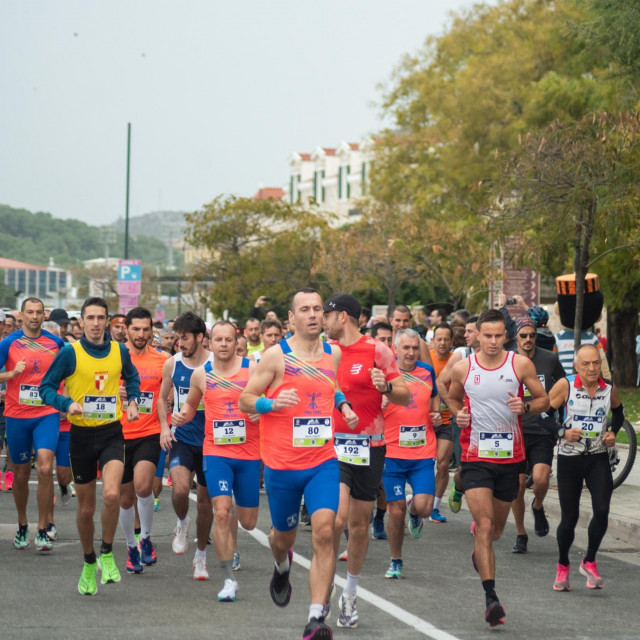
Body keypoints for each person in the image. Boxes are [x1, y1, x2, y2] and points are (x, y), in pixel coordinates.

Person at [239, 288, 357, 640]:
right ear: (291, 318)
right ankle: (281, 566)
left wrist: (343, 405)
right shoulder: (275, 356)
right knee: (282, 537)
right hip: (281, 466)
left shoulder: (332, 353)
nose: (312, 314)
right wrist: (271, 405)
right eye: (304, 309)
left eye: (317, 309)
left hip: (322, 460)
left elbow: (328, 386)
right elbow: (246, 399)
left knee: (326, 530)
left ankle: (316, 616)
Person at [447, 309, 549, 627]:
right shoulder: (464, 368)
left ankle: (482, 548)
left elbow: (544, 399)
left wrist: (527, 405)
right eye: (486, 335)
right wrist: (457, 414)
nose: (492, 341)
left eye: (497, 335)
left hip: (511, 459)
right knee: (486, 526)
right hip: (476, 458)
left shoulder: (519, 364)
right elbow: (451, 398)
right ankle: (491, 599)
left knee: (498, 532)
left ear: (506, 335)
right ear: (477, 335)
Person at [40, 296, 141, 595]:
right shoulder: (69, 353)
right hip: (81, 436)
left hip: (111, 432)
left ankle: (107, 553)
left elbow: (132, 377)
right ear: (81, 322)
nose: (96, 324)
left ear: (108, 322)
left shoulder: (119, 350)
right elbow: (46, 387)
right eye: (91, 318)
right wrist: (66, 403)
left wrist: (133, 399)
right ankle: (88, 561)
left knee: (112, 493)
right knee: (86, 510)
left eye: (101, 318)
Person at [323, 293, 409, 630]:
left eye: (326, 314)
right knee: (336, 520)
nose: (322, 320)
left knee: (359, 527)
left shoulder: (378, 350)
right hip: (332, 445)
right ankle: (324, 585)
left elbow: (403, 393)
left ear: (342, 316)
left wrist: (385, 385)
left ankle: (350, 594)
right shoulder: (325, 351)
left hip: (370, 445)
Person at [174, 321, 260, 602]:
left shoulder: (253, 369)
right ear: (209, 343)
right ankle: (228, 580)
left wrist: (263, 412)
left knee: (247, 522)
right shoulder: (201, 375)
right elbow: (190, 405)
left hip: (249, 453)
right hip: (217, 451)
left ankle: (237, 521)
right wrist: (182, 416)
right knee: (221, 512)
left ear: (237, 342)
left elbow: (268, 400)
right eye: (218, 339)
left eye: (229, 340)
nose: (223, 344)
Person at [547, 344, 624, 591]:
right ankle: (562, 566)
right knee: (570, 518)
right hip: (570, 458)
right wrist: (563, 432)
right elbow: (544, 416)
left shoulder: (609, 388)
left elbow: (619, 413)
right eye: (586, 364)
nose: (592, 368)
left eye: (596, 363)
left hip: (598, 457)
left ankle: (589, 561)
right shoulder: (565, 385)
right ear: (576, 366)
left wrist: (612, 431)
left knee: (602, 510)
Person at [0, 298, 65, 552]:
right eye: (30, 312)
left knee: (45, 468)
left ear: (44, 315)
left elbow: (68, 371)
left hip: (46, 414)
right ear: (21, 316)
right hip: (17, 416)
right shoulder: (9, 343)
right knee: (20, 474)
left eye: (39, 313)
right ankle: (22, 524)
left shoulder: (56, 343)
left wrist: (63, 399)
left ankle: (42, 528)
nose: (35, 317)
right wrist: (11, 374)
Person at [158, 311, 214, 580]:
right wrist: (164, 427)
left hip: (213, 441)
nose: (180, 343)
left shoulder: (216, 364)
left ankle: (201, 556)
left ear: (200, 338)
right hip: (182, 437)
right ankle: (181, 522)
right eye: (177, 338)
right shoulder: (172, 363)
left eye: (185, 338)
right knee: (180, 490)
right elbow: (161, 399)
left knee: (205, 503)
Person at [382, 329, 440, 579]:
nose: (411, 352)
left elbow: (435, 398)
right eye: (406, 348)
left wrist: (436, 414)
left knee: (425, 507)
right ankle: (396, 560)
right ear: (395, 349)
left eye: (415, 348)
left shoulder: (427, 372)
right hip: (391, 453)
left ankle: (415, 511)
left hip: (422, 451)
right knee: (395, 512)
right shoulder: (385, 376)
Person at [509, 316, 566, 554]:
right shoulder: (507, 359)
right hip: (515, 430)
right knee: (518, 486)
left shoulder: (549, 358)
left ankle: (538, 505)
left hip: (542, 429)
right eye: (523, 335)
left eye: (532, 335)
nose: (528, 339)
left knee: (541, 479)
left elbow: (565, 383)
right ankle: (521, 533)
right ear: (516, 337)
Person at [118, 307, 167, 574]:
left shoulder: (162, 360)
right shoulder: (113, 357)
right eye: (136, 329)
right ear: (126, 330)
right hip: (117, 435)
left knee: (143, 486)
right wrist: (116, 391)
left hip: (149, 433)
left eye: (146, 329)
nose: (141, 334)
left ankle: (146, 538)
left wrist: (169, 408)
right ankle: (130, 546)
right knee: (125, 499)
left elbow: (168, 394)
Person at [428, 322, 454, 523]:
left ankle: (434, 507)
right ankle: (421, 501)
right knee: (427, 465)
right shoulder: (426, 358)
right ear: (433, 340)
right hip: (425, 420)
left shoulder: (456, 361)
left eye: (446, 339)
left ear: (452, 341)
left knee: (443, 464)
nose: (443, 343)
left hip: (447, 420)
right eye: (439, 339)